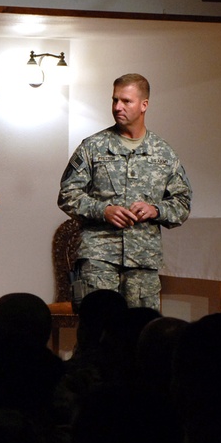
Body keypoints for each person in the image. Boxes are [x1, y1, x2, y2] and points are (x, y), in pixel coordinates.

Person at [58, 73, 192, 310]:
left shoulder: (164, 153)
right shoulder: (93, 146)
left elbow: (182, 203)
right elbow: (67, 194)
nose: (117, 107)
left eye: (126, 101)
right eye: (114, 100)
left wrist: (155, 209)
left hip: (143, 262)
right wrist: (103, 210)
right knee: (97, 333)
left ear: (144, 105)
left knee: (141, 335)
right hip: (98, 258)